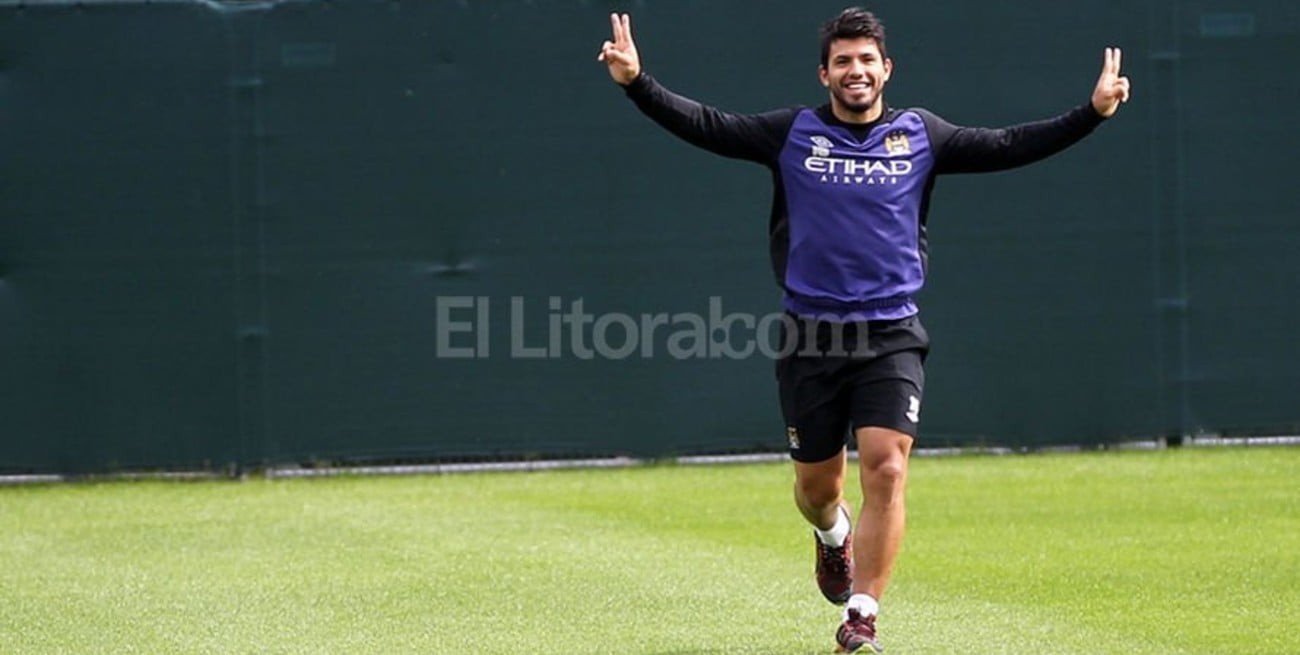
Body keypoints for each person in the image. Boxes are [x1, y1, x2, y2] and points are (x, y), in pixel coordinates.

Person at [598, 7, 1130, 653]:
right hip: (810, 338)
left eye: (867, 59)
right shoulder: (791, 133)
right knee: (817, 491)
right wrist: (637, 82)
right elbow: (710, 125)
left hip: (891, 334)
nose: (856, 70)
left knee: (886, 468)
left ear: (887, 69)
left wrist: (1092, 112)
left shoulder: (921, 136)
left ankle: (862, 614)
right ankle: (831, 536)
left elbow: (1009, 144)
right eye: (843, 60)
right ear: (825, 72)